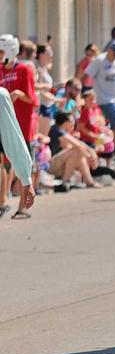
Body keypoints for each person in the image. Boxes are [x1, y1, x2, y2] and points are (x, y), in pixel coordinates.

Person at [1, 34, 38, 218]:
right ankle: (4, 200)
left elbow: (33, 99)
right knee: (5, 164)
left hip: (22, 123)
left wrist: (18, 94)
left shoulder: (24, 70)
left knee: (22, 157)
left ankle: (22, 207)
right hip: (5, 125)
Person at [86, 40, 115, 159]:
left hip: (114, 99)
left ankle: (111, 154)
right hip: (103, 99)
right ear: (109, 50)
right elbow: (87, 76)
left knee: (114, 129)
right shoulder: (99, 60)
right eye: (114, 53)